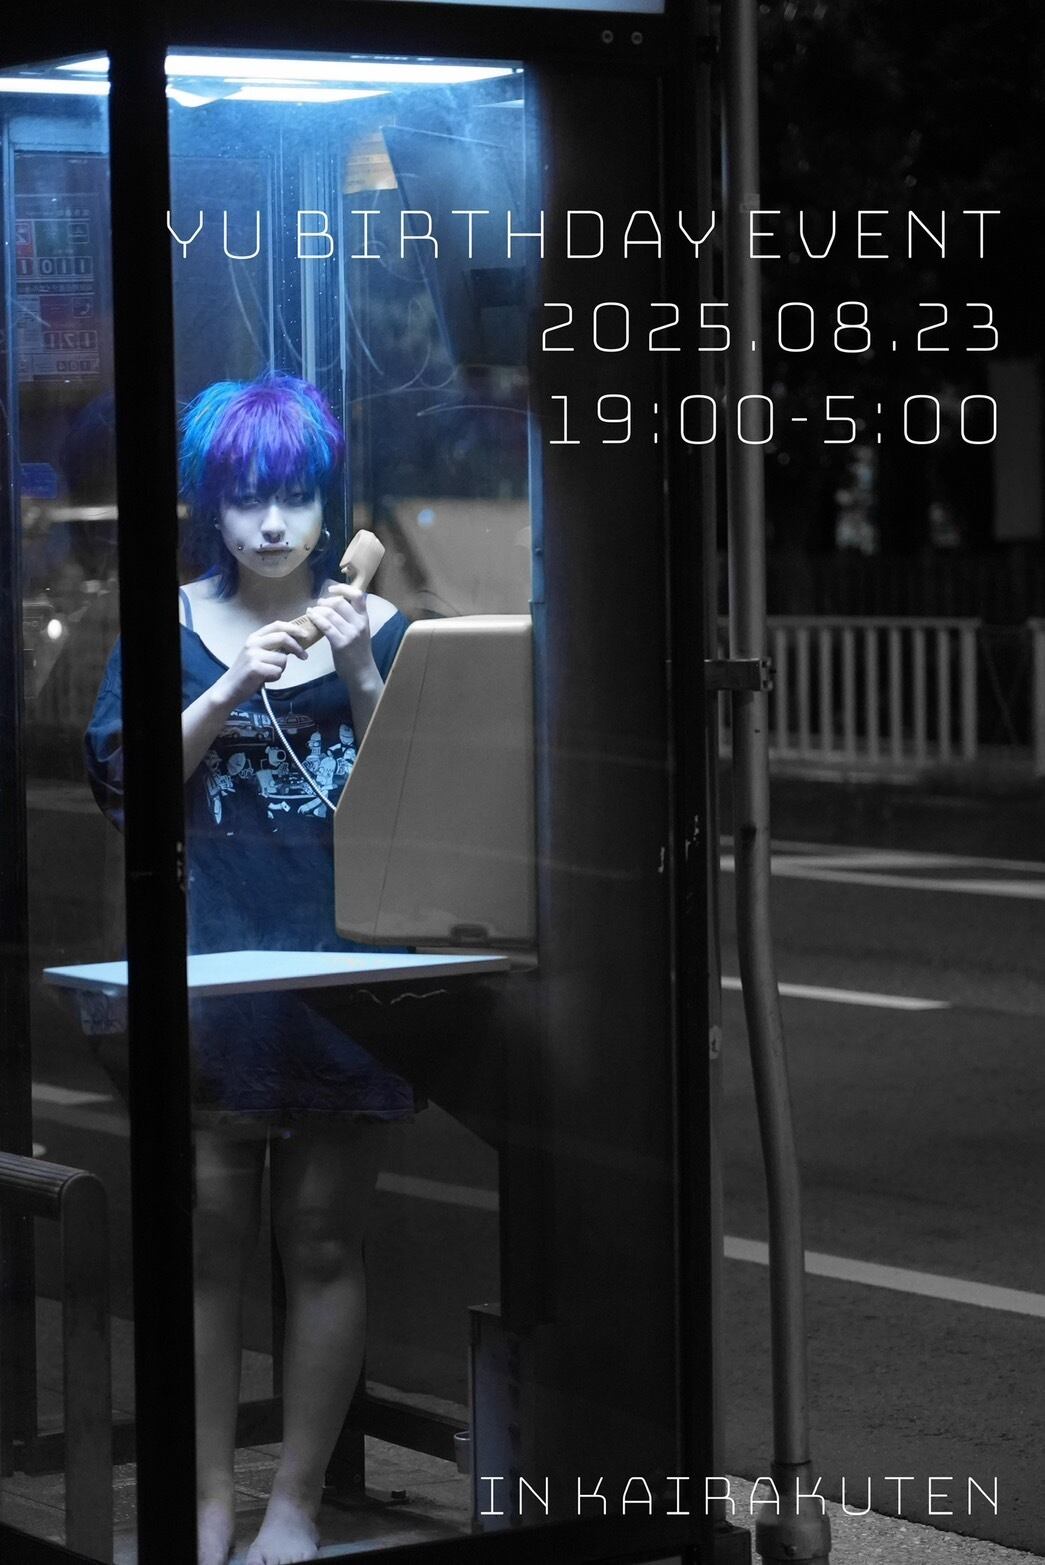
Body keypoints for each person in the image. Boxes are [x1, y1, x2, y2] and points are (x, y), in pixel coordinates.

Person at [85, 372, 418, 1565]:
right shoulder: (166, 626)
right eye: (245, 498)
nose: (271, 523)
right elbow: (128, 785)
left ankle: (296, 1500)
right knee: (207, 1241)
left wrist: (360, 667)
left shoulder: (382, 630)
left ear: (328, 507)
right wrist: (231, 684)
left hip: (346, 979)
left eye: (294, 497)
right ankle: (205, 1500)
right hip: (207, 976)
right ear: (208, 506)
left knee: (323, 1239)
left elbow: (419, 804)